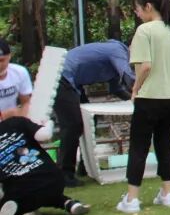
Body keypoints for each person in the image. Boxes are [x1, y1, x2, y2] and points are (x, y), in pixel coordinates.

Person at [117, 0, 170, 215]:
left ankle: (132, 198)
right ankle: (167, 194)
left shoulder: (144, 31)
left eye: (137, 9)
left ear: (148, 7)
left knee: (139, 146)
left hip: (149, 97)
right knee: (165, 143)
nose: (136, 13)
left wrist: (135, 88)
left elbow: (145, 66)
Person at [52, 40, 133, 188]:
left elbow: (116, 89)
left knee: (90, 121)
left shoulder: (115, 56)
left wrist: (133, 100)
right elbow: (129, 78)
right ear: (131, 46)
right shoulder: (117, 50)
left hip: (73, 82)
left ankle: (86, 166)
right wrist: (142, 94)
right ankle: (64, 174)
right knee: (72, 125)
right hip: (61, 77)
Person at [1, 117, 89, 215]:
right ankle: (70, 204)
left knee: (17, 199)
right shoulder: (16, 122)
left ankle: (8, 213)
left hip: (21, 190)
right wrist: (48, 123)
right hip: (52, 178)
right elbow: (45, 135)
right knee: (46, 194)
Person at [0, 38, 32, 120]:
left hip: (12, 121)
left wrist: (24, 122)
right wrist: (5, 115)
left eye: (2, 60)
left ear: (9, 56)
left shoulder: (19, 72)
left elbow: (26, 102)